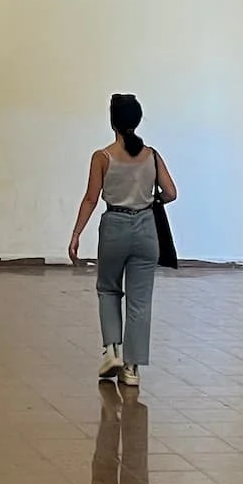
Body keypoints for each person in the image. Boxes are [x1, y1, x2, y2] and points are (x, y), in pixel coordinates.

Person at [67, 94, 177, 388]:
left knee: (108, 289)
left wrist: (76, 233)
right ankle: (132, 369)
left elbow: (91, 198)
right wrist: (149, 199)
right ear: (138, 120)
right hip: (146, 230)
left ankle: (112, 350)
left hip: (114, 225)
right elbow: (170, 193)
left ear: (113, 121)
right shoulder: (152, 155)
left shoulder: (102, 157)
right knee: (140, 301)